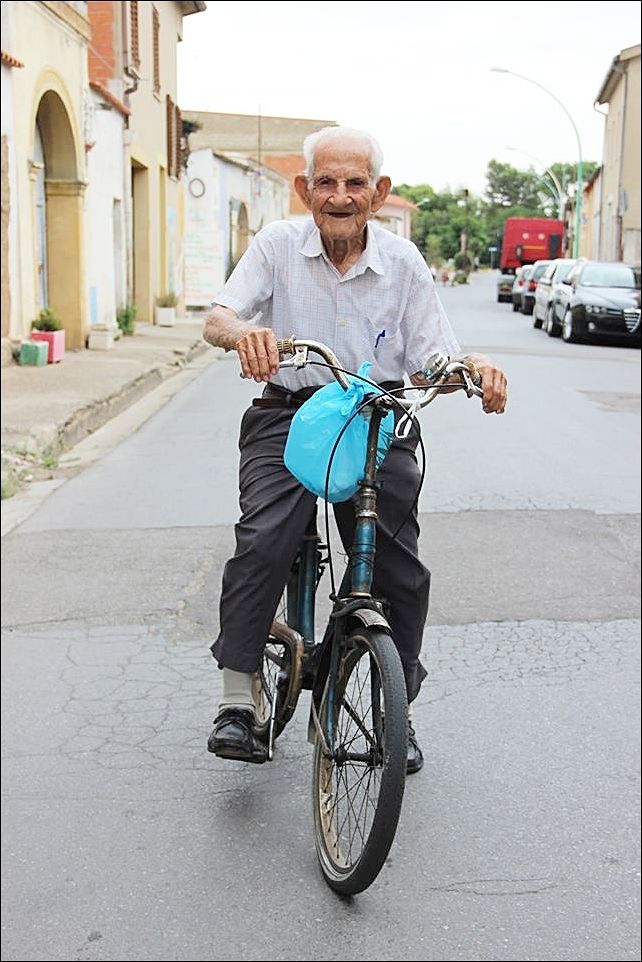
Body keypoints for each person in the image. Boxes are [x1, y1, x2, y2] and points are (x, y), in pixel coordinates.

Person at [202, 126, 507, 774]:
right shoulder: (279, 244)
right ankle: (236, 700)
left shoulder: (404, 265)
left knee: (396, 561)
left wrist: (469, 369)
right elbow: (218, 316)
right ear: (305, 189)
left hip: (376, 414)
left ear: (379, 192)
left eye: (355, 182)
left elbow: (432, 361)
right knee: (265, 536)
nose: (340, 196)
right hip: (290, 412)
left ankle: (400, 711)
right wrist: (247, 334)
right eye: (327, 182)